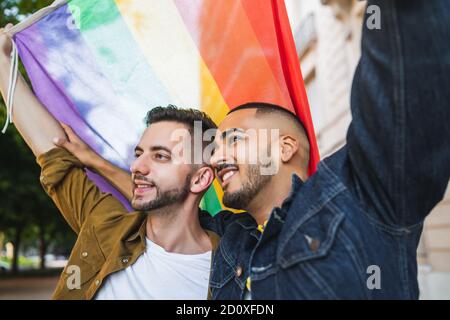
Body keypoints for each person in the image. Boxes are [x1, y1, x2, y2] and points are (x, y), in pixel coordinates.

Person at [54, 0, 450, 299]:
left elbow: (405, 76)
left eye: (234, 138)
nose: (215, 154)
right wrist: (92, 161)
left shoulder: (361, 196)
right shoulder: (229, 239)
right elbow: (162, 190)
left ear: (286, 147)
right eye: (213, 145)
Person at [0, 24, 221, 299]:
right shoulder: (106, 226)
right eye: (139, 153)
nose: (137, 167)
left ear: (200, 179)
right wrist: (3, 62)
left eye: (161, 156)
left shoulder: (235, 268)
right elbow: (51, 152)